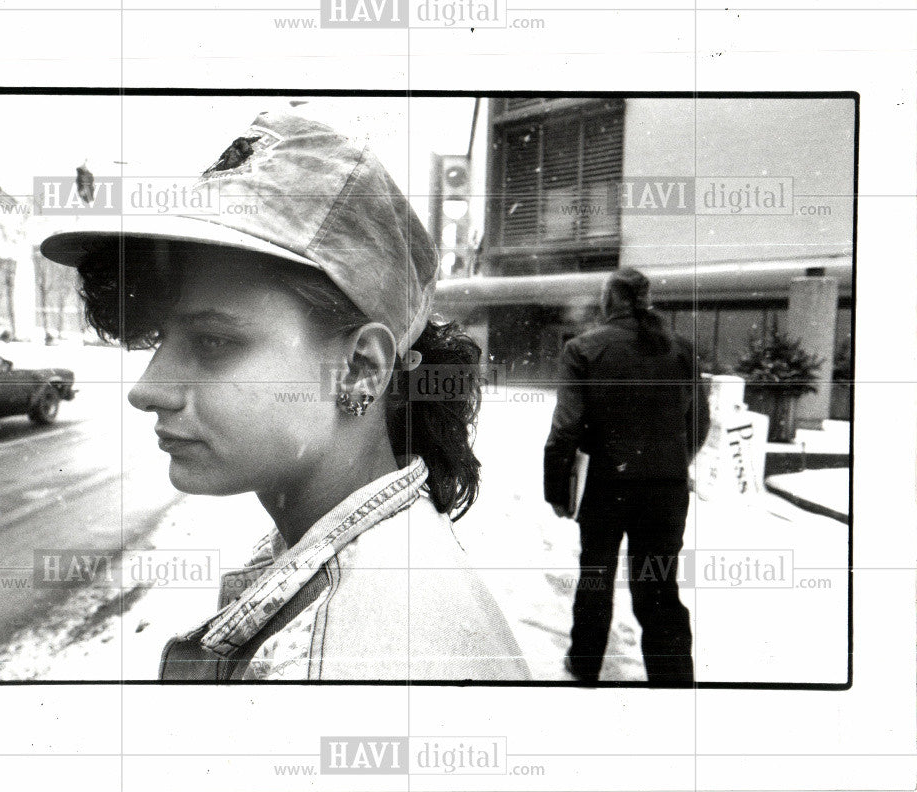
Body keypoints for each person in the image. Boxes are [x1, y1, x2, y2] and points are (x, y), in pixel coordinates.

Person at [41, 110, 529, 682]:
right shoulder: (383, 576)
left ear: (360, 369)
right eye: (161, 339)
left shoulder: (341, 667)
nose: (147, 389)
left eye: (214, 341)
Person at [543, 267, 709, 685]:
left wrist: (558, 489)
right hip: (666, 491)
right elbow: (699, 423)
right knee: (658, 585)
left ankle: (584, 666)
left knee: (596, 578)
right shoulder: (682, 350)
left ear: (608, 301)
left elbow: (566, 427)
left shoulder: (584, 349)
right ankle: (672, 680)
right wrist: (668, 462)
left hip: (606, 486)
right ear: (646, 299)